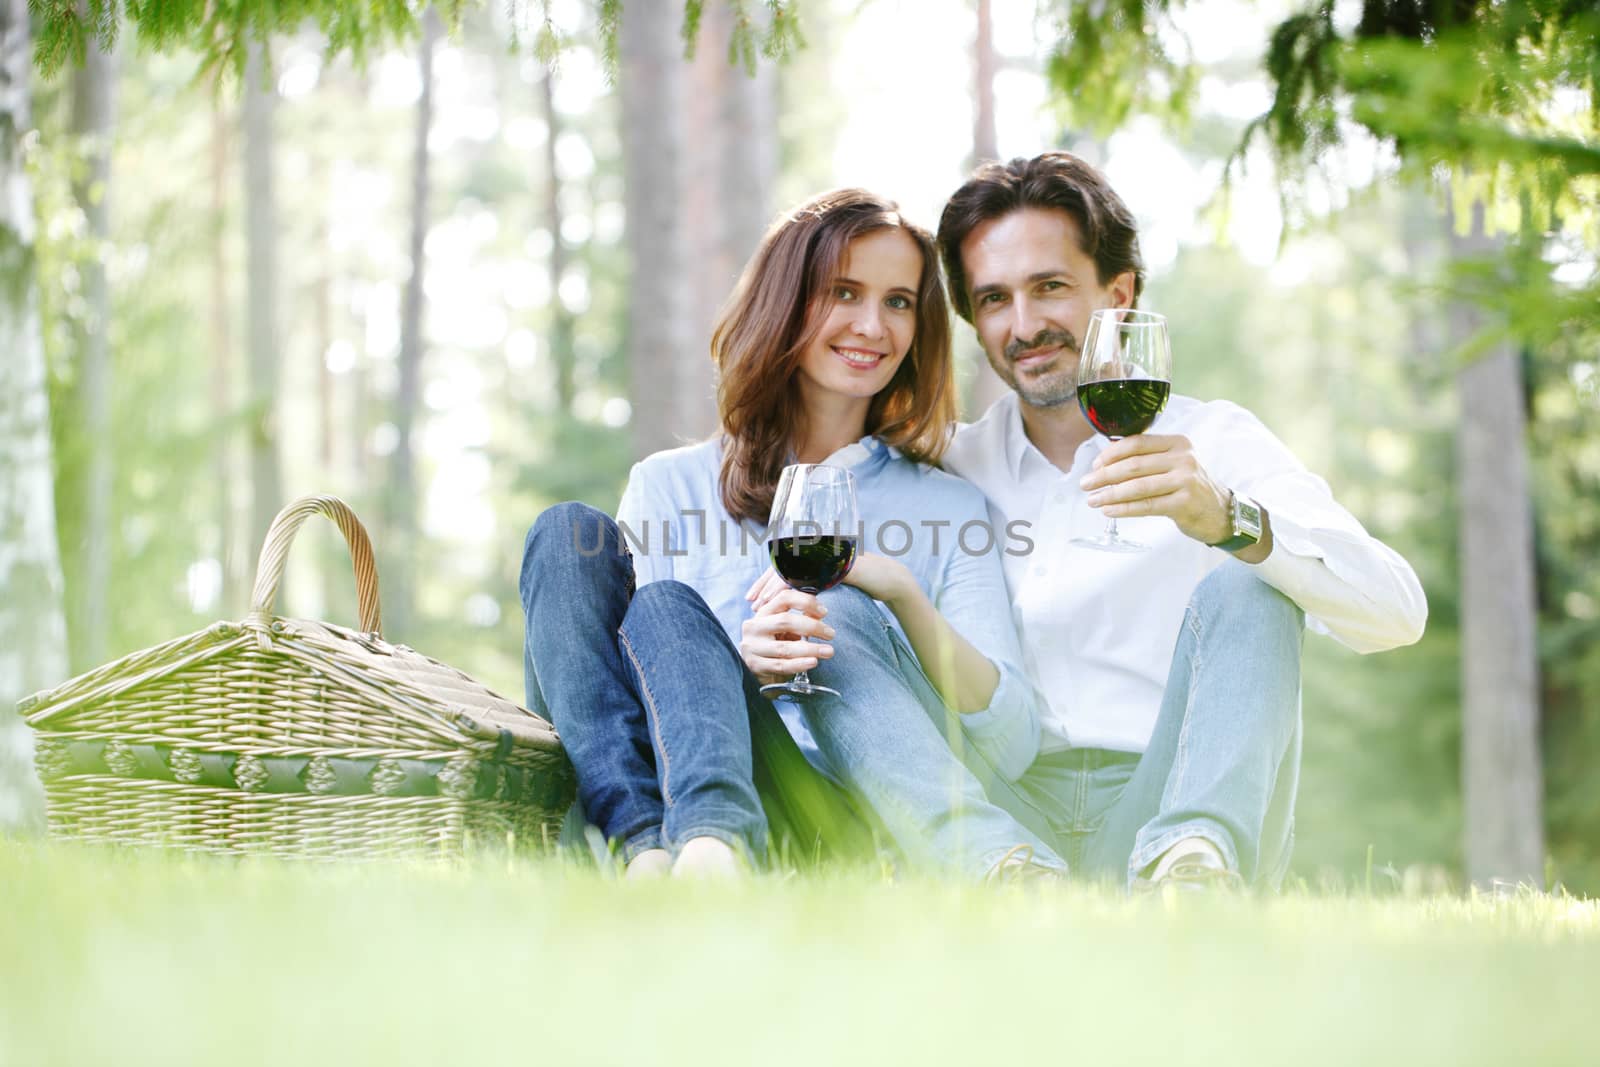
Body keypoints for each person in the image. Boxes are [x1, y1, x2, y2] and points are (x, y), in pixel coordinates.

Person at [519, 188, 1063, 879]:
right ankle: (646, 850)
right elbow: (636, 686)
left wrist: (900, 596)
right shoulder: (670, 484)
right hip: (683, 797)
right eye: (844, 292)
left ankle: (693, 853)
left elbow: (1012, 743)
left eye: (898, 302)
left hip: (832, 810)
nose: (873, 325)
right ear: (787, 300)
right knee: (570, 538)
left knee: (786, 606)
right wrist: (737, 668)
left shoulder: (949, 505)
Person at [935, 152, 1428, 891]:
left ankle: (1190, 874)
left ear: (1119, 295)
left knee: (1253, 580)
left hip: (1176, 792)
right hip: (1007, 828)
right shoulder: (949, 469)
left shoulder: (1217, 442)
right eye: (995, 298)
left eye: (1051, 287)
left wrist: (1230, 519)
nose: (1025, 324)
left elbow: (1397, 612)